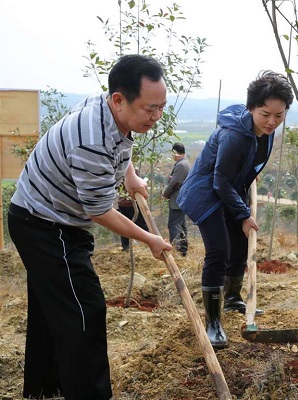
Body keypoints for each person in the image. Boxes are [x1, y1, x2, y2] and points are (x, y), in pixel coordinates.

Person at [7, 54, 173, 400]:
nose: (156, 117)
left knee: (53, 306)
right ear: (119, 99)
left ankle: (46, 387)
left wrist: (129, 175)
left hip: (50, 216)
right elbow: (99, 210)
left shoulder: (107, 108)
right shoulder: (90, 138)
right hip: (44, 224)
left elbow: (120, 145)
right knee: (85, 310)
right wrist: (149, 238)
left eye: (161, 108)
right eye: (149, 109)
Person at [177, 70, 294, 349]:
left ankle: (232, 298)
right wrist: (242, 214)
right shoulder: (234, 136)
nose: (272, 122)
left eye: (279, 116)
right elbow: (220, 180)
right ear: (251, 107)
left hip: (229, 189)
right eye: (265, 114)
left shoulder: (265, 133)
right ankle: (213, 322)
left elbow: (244, 170)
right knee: (219, 250)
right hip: (206, 192)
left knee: (240, 244)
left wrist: (243, 208)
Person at [162, 142, 191, 256]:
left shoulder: (181, 165)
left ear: (175, 152)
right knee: (181, 225)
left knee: (173, 225)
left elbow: (175, 183)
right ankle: (183, 250)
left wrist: (166, 193)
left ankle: (176, 251)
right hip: (182, 199)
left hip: (177, 200)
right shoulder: (185, 163)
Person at [117, 184, 150, 251]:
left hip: (123, 202)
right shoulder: (130, 174)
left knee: (124, 225)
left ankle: (126, 247)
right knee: (141, 225)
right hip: (131, 202)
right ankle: (149, 243)